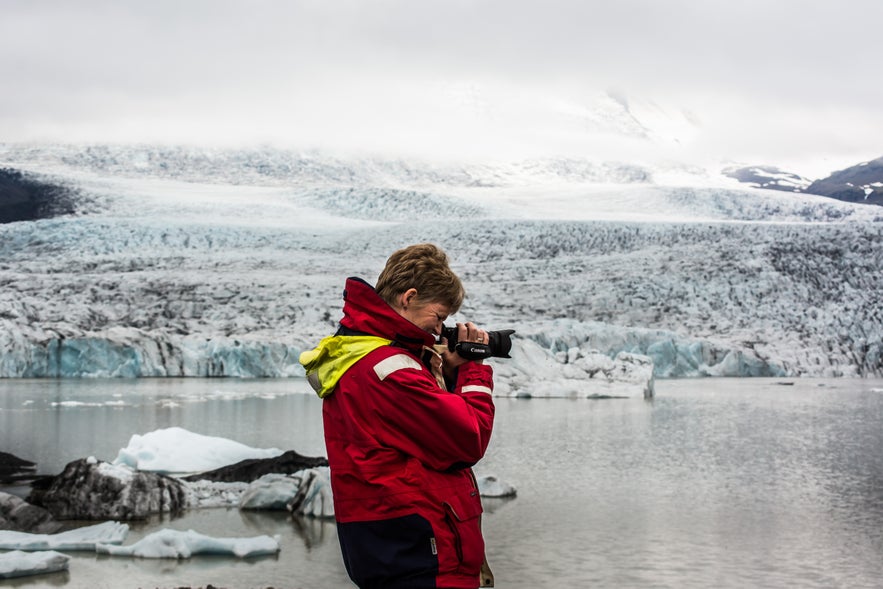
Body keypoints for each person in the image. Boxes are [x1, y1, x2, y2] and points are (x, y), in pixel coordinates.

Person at [300, 243, 496, 589]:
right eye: (438, 317)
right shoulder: (388, 370)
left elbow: (414, 437)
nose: (439, 332)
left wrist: (445, 375)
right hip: (419, 552)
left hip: (398, 544)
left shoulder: (367, 355)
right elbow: (468, 439)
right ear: (409, 297)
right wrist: (474, 372)